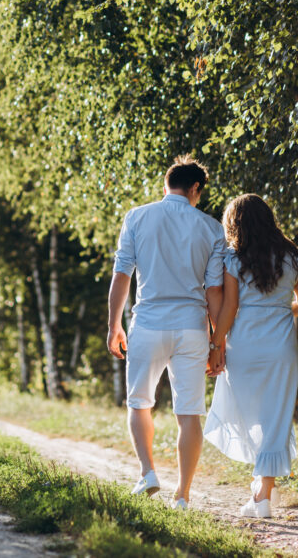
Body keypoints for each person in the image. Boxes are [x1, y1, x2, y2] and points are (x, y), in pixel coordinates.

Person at [106, 155, 227, 510]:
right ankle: (183, 495)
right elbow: (214, 291)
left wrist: (114, 324)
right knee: (189, 413)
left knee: (139, 402)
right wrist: (217, 342)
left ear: (166, 185)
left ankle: (148, 473)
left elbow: (122, 274)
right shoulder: (211, 228)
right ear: (195, 189)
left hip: (147, 324)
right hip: (192, 327)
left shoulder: (137, 216)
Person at [203, 194, 298, 518]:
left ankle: (263, 495)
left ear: (235, 224)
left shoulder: (235, 259)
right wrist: (278, 308)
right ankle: (264, 486)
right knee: (275, 416)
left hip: (245, 348)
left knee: (248, 414)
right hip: (280, 349)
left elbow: (230, 308)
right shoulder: (293, 257)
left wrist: (216, 346)